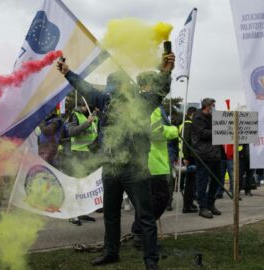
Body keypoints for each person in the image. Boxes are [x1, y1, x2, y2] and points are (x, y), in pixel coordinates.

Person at [57, 51, 175, 270]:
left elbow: (160, 90)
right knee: (111, 214)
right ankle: (111, 252)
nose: (112, 98)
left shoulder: (141, 103)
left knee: (146, 217)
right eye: (109, 93)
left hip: (135, 168)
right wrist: (68, 73)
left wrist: (165, 71)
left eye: (116, 92)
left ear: (125, 89)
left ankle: (151, 261)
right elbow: (85, 88)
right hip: (110, 168)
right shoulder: (104, 99)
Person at [130, 72, 178, 247]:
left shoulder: (141, 102)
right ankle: (139, 230)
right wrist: (174, 130)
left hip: (151, 160)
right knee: (160, 198)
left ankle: (141, 236)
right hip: (153, 162)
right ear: (149, 84)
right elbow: (155, 133)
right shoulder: (151, 105)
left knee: (146, 200)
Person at [67, 97, 98, 225]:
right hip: (78, 154)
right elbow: (71, 132)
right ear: (83, 105)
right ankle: (73, 215)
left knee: (85, 185)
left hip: (88, 155)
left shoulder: (92, 116)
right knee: (76, 185)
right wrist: (87, 123)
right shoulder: (75, 115)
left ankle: (82, 212)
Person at [191, 98, 224, 219]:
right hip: (203, 154)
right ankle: (203, 207)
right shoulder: (198, 117)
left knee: (218, 179)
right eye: (212, 105)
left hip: (214, 153)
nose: (213, 107)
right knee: (202, 181)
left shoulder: (210, 117)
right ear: (207, 106)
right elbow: (202, 133)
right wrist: (219, 130)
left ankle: (211, 204)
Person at [180, 106, 198, 213]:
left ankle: (190, 203)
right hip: (189, 158)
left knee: (191, 182)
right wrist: (186, 157)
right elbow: (186, 142)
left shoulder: (186, 124)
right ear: (192, 114)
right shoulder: (188, 124)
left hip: (189, 156)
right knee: (189, 183)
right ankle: (187, 206)